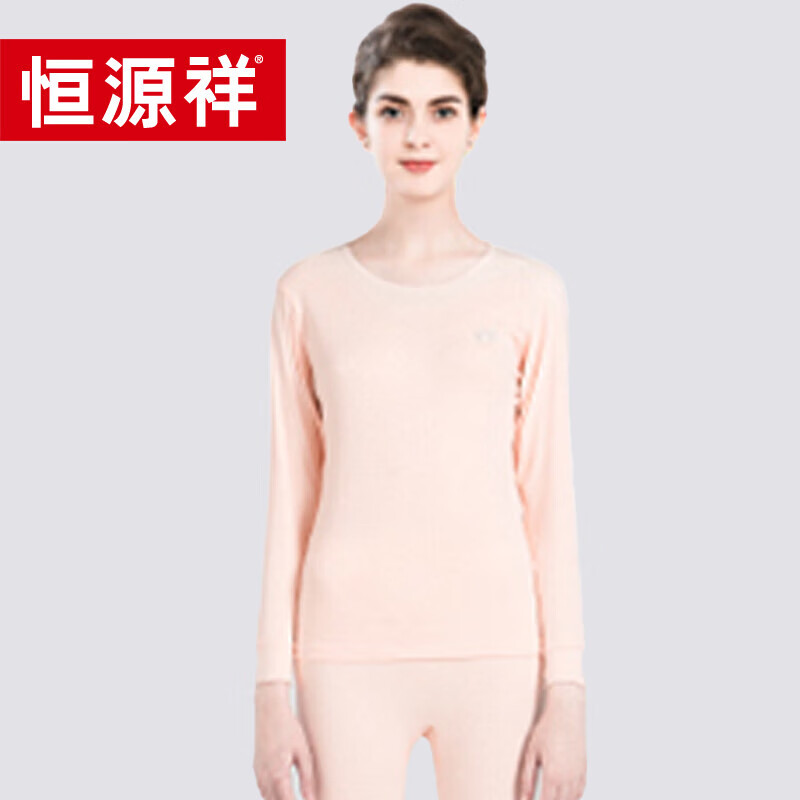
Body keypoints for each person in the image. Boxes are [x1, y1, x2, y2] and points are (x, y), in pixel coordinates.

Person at [252, 5, 587, 799]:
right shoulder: (308, 292)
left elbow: (549, 496)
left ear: (476, 126)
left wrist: (567, 689)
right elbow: (291, 494)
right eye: (393, 110)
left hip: (496, 648)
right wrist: (270, 689)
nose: (417, 136)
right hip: (343, 650)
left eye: (442, 111)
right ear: (359, 125)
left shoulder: (530, 293)